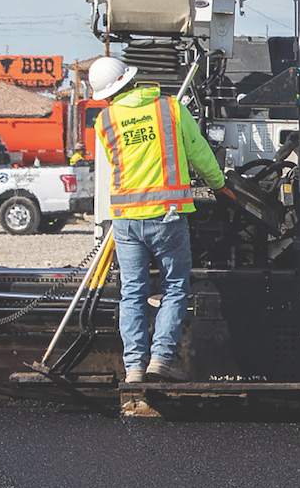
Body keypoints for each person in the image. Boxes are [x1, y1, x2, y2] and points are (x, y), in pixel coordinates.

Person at [89, 56, 226, 383]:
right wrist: (220, 185)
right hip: (167, 216)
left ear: (107, 94)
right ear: (133, 80)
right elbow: (199, 153)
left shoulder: (104, 121)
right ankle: (161, 360)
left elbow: (118, 162)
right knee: (175, 287)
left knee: (132, 293)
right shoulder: (171, 109)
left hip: (125, 221)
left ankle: (134, 367)